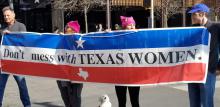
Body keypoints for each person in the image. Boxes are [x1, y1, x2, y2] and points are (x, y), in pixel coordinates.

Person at [187, 3, 220, 107]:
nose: (191, 16)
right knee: (194, 103)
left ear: (202, 14)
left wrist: (219, 66)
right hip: (192, 73)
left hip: (208, 71)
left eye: (193, 14)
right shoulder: (191, 29)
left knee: (207, 103)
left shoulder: (216, 27)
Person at [0, 6, 31, 107]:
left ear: (13, 15)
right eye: (4, 16)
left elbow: (24, 41)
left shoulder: (21, 26)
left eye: (8, 15)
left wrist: (11, 34)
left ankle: (27, 105)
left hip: (17, 63)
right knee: (0, 87)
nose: (6, 17)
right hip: (4, 64)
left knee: (22, 87)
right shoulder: (2, 30)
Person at [114, 16, 140, 107]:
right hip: (120, 75)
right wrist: (106, 34)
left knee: (135, 102)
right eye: (130, 25)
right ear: (124, 26)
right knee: (121, 102)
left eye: (133, 24)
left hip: (134, 75)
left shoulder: (138, 37)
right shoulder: (117, 37)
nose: (132, 26)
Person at [57, 20, 83, 107]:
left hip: (76, 75)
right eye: (66, 27)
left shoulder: (81, 41)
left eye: (68, 27)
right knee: (66, 98)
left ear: (74, 31)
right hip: (62, 75)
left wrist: (107, 34)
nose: (66, 29)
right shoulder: (60, 40)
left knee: (75, 100)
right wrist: (58, 39)